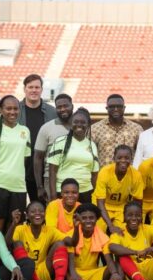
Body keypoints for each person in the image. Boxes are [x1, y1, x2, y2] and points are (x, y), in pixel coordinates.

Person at [0, 95, 31, 261]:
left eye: (15, 108)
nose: (12, 112)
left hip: (18, 186)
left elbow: (24, 157)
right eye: (8, 108)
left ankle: (9, 267)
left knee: (14, 227)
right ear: (1, 110)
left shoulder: (25, 131)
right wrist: (0, 169)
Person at [8, 201, 72, 280]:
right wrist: (13, 223)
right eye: (33, 211)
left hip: (43, 270)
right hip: (26, 273)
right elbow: (7, 243)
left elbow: (71, 242)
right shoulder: (20, 229)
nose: (37, 213)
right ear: (27, 215)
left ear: (45, 214)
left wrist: (78, 227)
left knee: (60, 244)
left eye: (41, 211)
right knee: (17, 243)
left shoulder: (50, 230)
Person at [65, 203, 127, 280]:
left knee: (117, 264)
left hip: (94, 273)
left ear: (97, 219)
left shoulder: (102, 236)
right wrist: (72, 273)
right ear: (78, 219)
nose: (88, 221)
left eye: (91, 218)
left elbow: (108, 259)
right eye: (84, 218)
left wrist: (114, 273)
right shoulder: (71, 234)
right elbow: (68, 260)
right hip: (75, 272)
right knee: (65, 271)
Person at [17, 74, 57, 203]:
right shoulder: (15, 110)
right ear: (24, 89)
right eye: (30, 87)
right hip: (21, 164)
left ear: (41, 89)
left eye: (37, 87)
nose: (34, 90)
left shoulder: (52, 112)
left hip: (44, 165)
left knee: (44, 204)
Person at [47, 108, 99, 203]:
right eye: (76, 122)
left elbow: (94, 174)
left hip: (86, 192)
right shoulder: (60, 142)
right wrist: (53, 196)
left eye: (83, 122)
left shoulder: (92, 145)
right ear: (71, 124)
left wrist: (95, 195)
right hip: (64, 193)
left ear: (88, 125)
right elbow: (52, 171)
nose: (79, 124)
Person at [33, 93, 74, 202]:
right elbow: (38, 158)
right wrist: (39, 187)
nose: (63, 109)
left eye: (66, 106)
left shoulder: (81, 127)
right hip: (51, 179)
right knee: (54, 212)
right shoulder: (47, 128)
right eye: (59, 107)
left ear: (72, 106)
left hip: (75, 177)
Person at [94, 145, 144, 233]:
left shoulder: (136, 175)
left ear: (131, 159)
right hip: (103, 205)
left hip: (121, 207)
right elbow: (100, 203)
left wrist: (135, 217)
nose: (123, 161)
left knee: (124, 232)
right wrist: (110, 226)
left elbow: (138, 200)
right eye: (119, 158)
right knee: (98, 231)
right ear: (114, 158)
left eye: (127, 158)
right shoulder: (104, 172)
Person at [91, 93, 143, 167]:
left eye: (119, 106)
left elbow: (141, 154)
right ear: (107, 108)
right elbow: (89, 156)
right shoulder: (95, 129)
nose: (115, 109)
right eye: (112, 107)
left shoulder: (136, 129)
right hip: (103, 176)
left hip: (129, 176)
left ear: (124, 108)